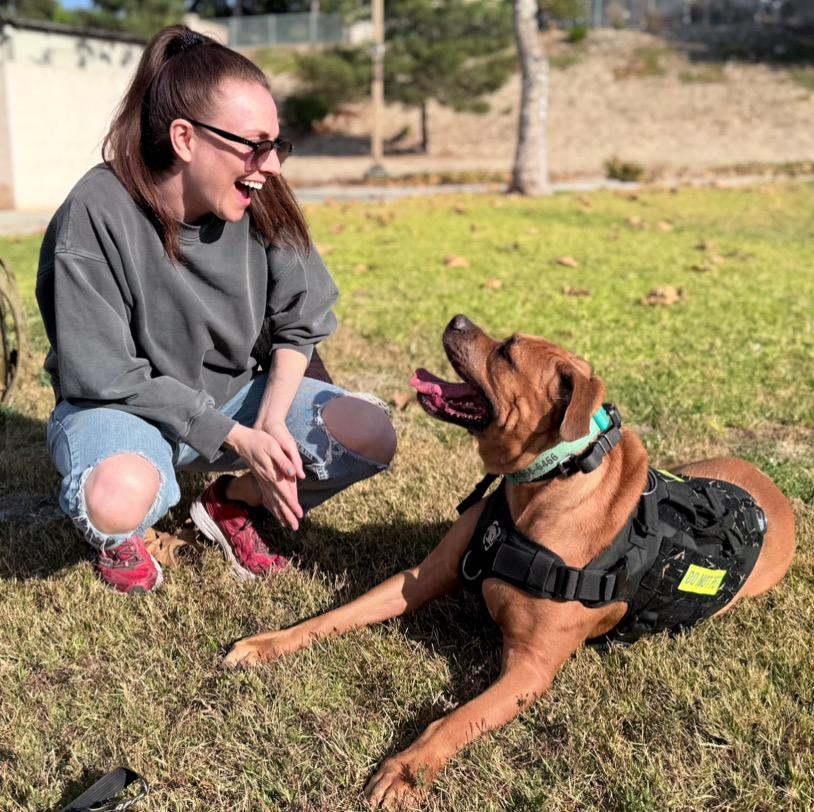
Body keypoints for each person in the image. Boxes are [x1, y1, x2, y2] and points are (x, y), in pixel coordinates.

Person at [35, 25, 397, 594]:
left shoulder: (260, 195)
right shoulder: (94, 211)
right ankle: (123, 533)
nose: (271, 164)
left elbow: (299, 321)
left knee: (368, 433)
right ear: (184, 138)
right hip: (121, 408)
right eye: (255, 145)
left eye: (277, 145)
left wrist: (272, 421)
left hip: (234, 398)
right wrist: (233, 436)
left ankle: (229, 505)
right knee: (117, 496)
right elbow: (104, 374)